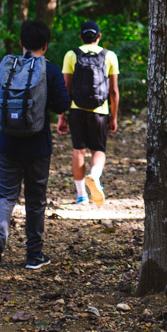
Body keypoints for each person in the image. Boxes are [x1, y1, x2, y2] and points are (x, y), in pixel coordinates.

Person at [0, 19, 71, 282]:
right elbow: (63, 102)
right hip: (38, 145)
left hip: (6, 144)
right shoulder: (48, 70)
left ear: (21, 43)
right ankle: (34, 256)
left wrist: (7, 105)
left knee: (5, 197)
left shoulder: (6, 66)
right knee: (36, 199)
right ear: (46, 44)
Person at [57, 20, 120, 206]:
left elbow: (65, 87)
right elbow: (114, 91)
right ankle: (94, 175)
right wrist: (114, 117)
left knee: (78, 150)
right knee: (98, 149)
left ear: (80, 37)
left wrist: (62, 115)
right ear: (99, 36)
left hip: (76, 109)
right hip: (100, 111)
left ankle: (81, 195)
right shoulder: (109, 56)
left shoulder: (71, 54)